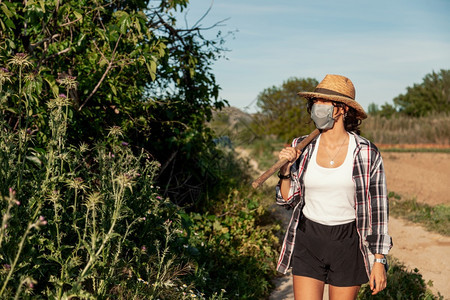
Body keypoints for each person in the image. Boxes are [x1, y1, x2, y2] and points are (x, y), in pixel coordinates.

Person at [275, 74, 392, 299]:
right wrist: (285, 171)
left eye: (324, 103)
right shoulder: (301, 147)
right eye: (315, 103)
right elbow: (287, 200)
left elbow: (378, 210)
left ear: (343, 109)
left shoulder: (366, 153)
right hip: (308, 237)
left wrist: (379, 260)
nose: (317, 108)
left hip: (348, 242)